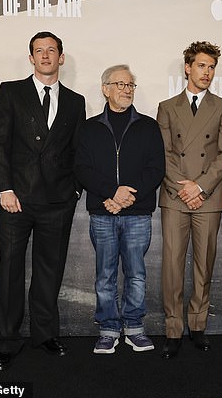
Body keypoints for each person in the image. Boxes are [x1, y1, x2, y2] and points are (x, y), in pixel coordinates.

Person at [0, 31, 86, 371]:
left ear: (61, 57)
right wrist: (4, 189)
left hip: (58, 202)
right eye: (38, 51)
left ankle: (44, 335)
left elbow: (77, 151)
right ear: (31, 58)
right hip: (16, 201)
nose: (45, 55)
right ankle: (5, 341)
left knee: (49, 271)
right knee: (10, 271)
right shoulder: (11, 91)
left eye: (51, 50)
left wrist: (74, 189)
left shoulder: (76, 102)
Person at [74, 65, 165, 354]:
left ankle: (135, 328)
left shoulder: (149, 126)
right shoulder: (89, 128)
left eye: (130, 85)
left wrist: (126, 197)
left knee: (137, 274)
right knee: (105, 275)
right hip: (102, 213)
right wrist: (110, 194)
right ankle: (109, 329)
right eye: (120, 84)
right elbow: (82, 169)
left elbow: (156, 169)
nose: (126, 90)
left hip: (137, 214)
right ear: (105, 89)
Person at [156, 41, 222, 359]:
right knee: (172, 267)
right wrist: (183, 188)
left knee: (205, 264)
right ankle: (173, 329)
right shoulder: (167, 106)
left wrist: (200, 186)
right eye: (201, 65)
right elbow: (162, 152)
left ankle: (198, 326)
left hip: (209, 195)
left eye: (212, 67)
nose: (207, 72)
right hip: (175, 196)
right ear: (187, 67)